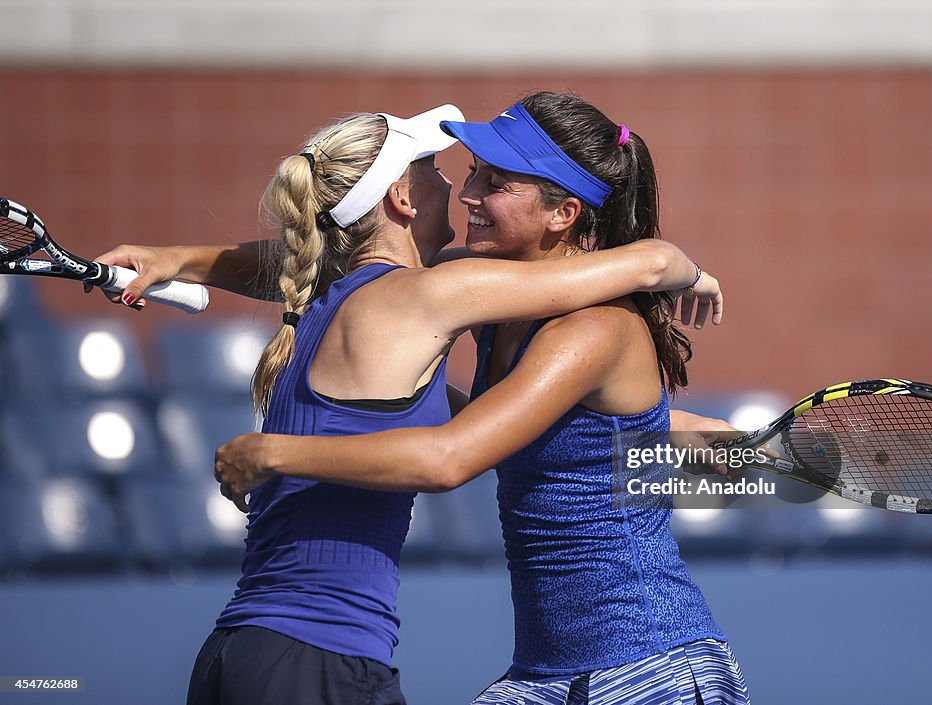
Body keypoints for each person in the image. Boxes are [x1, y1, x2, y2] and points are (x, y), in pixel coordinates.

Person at [95, 101, 727, 705]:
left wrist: (276, 452)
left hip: (648, 667)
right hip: (545, 673)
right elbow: (313, 261)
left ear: (562, 213)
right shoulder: (479, 295)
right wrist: (175, 259)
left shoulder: (586, 325)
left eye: (494, 182)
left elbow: (453, 455)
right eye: (471, 173)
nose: (467, 192)